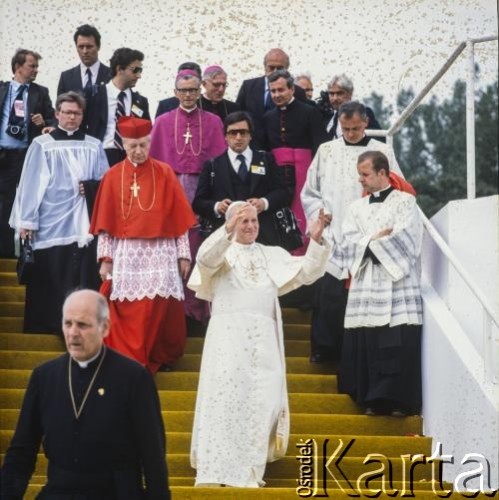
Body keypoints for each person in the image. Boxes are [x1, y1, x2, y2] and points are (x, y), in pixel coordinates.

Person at [188, 202, 329, 487]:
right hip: (228, 336)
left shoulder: (271, 254)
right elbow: (204, 260)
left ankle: (250, 469)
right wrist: (225, 231)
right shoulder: (220, 250)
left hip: (264, 338)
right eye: (244, 222)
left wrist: (315, 239)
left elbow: (307, 273)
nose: (251, 226)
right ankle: (218, 470)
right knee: (226, 401)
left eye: (254, 221)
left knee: (265, 400)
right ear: (231, 225)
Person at [1, 289, 171, 499]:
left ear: (105, 327)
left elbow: (153, 457)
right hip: (58, 493)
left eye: (82, 325)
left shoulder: (134, 377)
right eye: (67, 323)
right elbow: (21, 452)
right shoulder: (44, 376)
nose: (73, 333)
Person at [90, 116, 196, 374]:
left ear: (150, 143)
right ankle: (130, 359)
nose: (138, 152)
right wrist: (105, 258)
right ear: (123, 145)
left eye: (143, 146)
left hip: (161, 251)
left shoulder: (164, 171)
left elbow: (179, 220)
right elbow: (105, 223)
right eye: (132, 146)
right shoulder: (113, 176)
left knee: (159, 306)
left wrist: (183, 255)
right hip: (126, 252)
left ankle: (157, 355)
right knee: (129, 308)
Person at [301, 101, 402, 363]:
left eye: (355, 128)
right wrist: (320, 214)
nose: (350, 134)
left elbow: (397, 189)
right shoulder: (327, 150)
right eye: (345, 129)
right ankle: (323, 349)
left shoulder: (381, 151)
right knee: (328, 295)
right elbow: (311, 191)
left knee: (358, 297)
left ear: (366, 122)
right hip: (334, 232)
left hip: (368, 235)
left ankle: (353, 355)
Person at [9, 91, 108, 333]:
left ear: (82, 115)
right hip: (50, 221)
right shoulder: (41, 145)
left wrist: (92, 187)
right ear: (57, 114)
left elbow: (107, 183)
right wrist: (27, 221)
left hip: (83, 220)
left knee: (81, 275)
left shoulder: (94, 145)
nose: (72, 117)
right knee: (51, 276)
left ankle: (83, 327)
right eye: (67, 112)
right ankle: (47, 326)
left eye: (76, 113)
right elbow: (31, 185)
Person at [334, 151, 423, 417]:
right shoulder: (355, 208)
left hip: (397, 282)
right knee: (369, 340)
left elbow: (406, 239)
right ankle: (371, 399)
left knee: (397, 339)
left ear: (383, 173)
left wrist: (367, 243)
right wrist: (374, 238)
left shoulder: (406, 202)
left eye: (365, 174)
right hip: (366, 281)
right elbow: (346, 243)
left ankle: (399, 401)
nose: (360, 179)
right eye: (360, 174)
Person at [150, 69, 226, 323]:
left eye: (193, 90)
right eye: (183, 90)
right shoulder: (162, 122)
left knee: (198, 251)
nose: (188, 95)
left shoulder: (213, 122)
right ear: (175, 93)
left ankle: (196, 311)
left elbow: (218, 164)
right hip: (171, 192)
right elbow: (155, 165)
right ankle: (173, 312)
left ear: (200, 91)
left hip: (201, 194)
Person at [192, 111, 289, 246]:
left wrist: (264, 202)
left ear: (250, 135)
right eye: (233, 133)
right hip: (226, 238)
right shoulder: (212, 165)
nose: (238, 137)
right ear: (225, 136)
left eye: (243, 132)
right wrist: (216, 206)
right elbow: (198, 202)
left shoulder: (266, 159)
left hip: (263, 236)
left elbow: (284, 193)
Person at [263, 69, 328, 253]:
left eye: (281, 90)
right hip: (277, 175)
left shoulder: (309, 112)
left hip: (305, 172)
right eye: (273, 91)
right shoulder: (268, 117)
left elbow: (321, 148)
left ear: (291, 89)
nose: (277, 95)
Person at [0, 49, 55, 258]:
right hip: (4, 155)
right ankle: (5, 253)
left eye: (36, 66)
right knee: (4, 204)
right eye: (32, 66)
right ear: (18, 67)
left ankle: (28, 252)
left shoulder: (40, 92)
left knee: (29, 201)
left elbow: (52, 121)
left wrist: (44, 123)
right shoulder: (3, 89)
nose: (36, 70)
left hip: (27, 156)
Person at [85, 47, 150, 166]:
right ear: (119, 69)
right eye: (135, 70)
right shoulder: (94, 95)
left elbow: (146, 134)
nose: (139, 75)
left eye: (140, 70)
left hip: (131, 158)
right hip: (101, 155)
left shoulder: (140, 101)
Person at [236, 48, 308, 150]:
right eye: (271, 67)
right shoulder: (248, 87)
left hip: (284, 148)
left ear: (287, 68)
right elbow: (238, 115)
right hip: (253, 146)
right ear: (265, 67)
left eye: (280, 68)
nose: (275, 72)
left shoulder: (298, 92)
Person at [317, 74, 384, 142]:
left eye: (339, 93)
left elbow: (380, 140)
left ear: (350, 94)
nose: (335, 98)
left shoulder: (363, 112)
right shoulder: (329, 117)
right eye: (331, 94)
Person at [56, 24, 111, 98]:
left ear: (98, 46)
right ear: (76, 47)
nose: (85, 51)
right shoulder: (66, 78)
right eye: (81, 47)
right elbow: (60, 106)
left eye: (89, 47)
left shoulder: (112, 75)